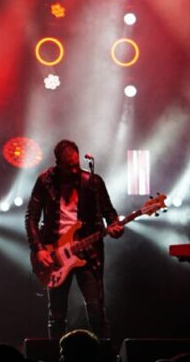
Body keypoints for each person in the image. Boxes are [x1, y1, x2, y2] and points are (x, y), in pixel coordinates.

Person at [24, 139, 123, 338]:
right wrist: (39, 249)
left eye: (77, 165)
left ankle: (102, 358)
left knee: (96, 309)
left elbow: (109, 213)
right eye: (69, 167)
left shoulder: (93, 182)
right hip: (55, 255)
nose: (75, 170)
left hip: (87, 253)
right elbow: (31, 217)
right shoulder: (45, 181)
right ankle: (55, 360)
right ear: (58, 164)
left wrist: (115, 227)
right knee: (57, 314)